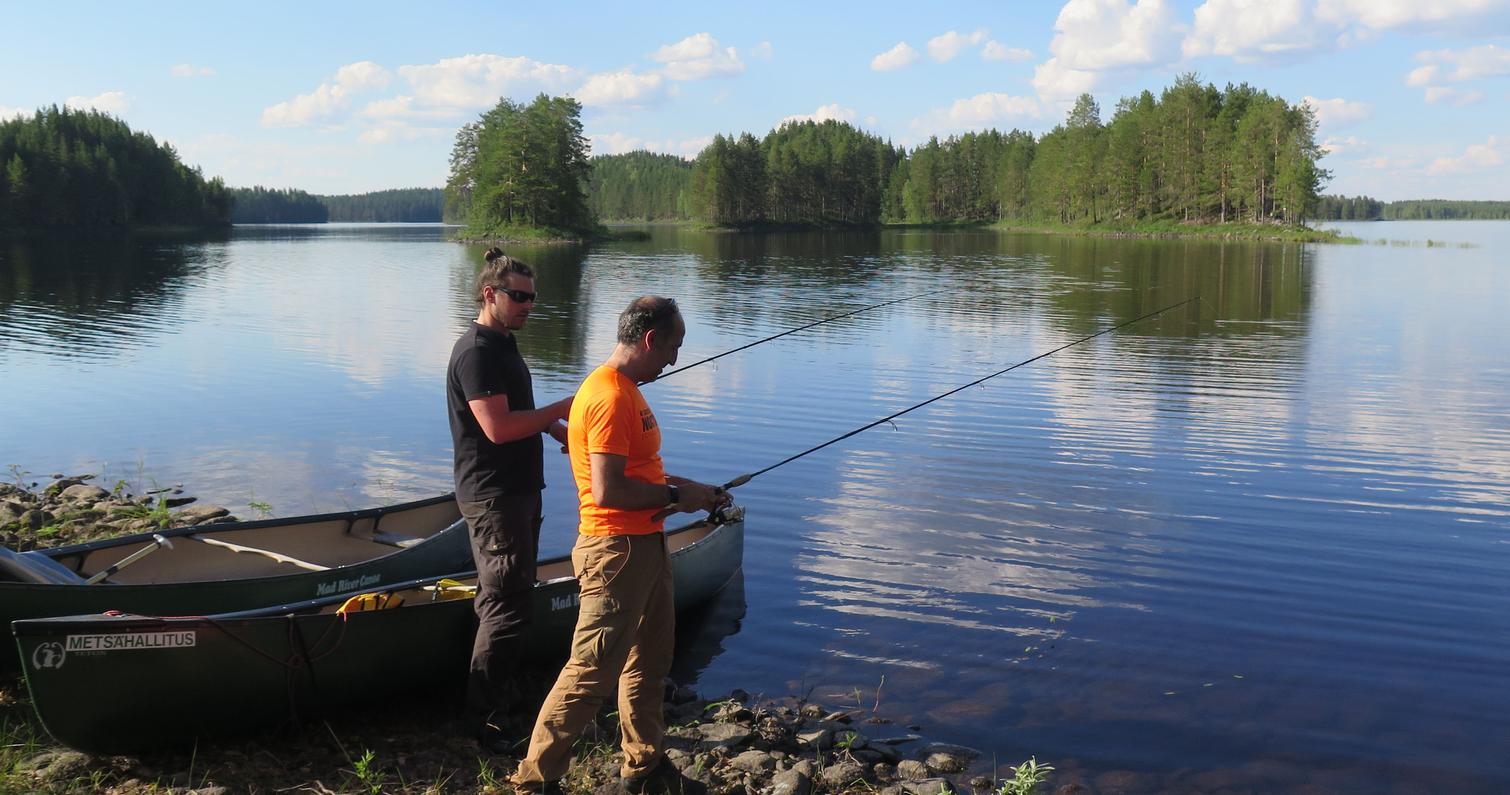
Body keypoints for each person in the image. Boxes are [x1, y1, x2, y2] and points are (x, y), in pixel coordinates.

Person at [511, 296, 728, 795]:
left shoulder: (627, 391)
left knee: (649, 661)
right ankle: (534, 781)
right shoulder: (608, 395)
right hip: (615, 551)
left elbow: (638, 473)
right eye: (673, 346)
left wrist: (692, 490)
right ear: (650, 339)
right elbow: (608, 490)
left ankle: (644, 769)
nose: (674, 358)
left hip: (645, 543)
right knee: (591, 670)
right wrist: (676, 497)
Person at [447, 247, 572, 754]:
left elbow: (518, 411)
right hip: (494, 497)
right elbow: (498, 429)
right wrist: (563, 406)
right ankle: (485, 721)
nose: (528, 306)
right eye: (518, 297)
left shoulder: (503, 344)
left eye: (532, 298)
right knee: (508, 605)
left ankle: (496, 695)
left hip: (517, 492)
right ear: (489, 294)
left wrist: (557, 428)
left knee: (503, 597)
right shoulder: (477, 352)